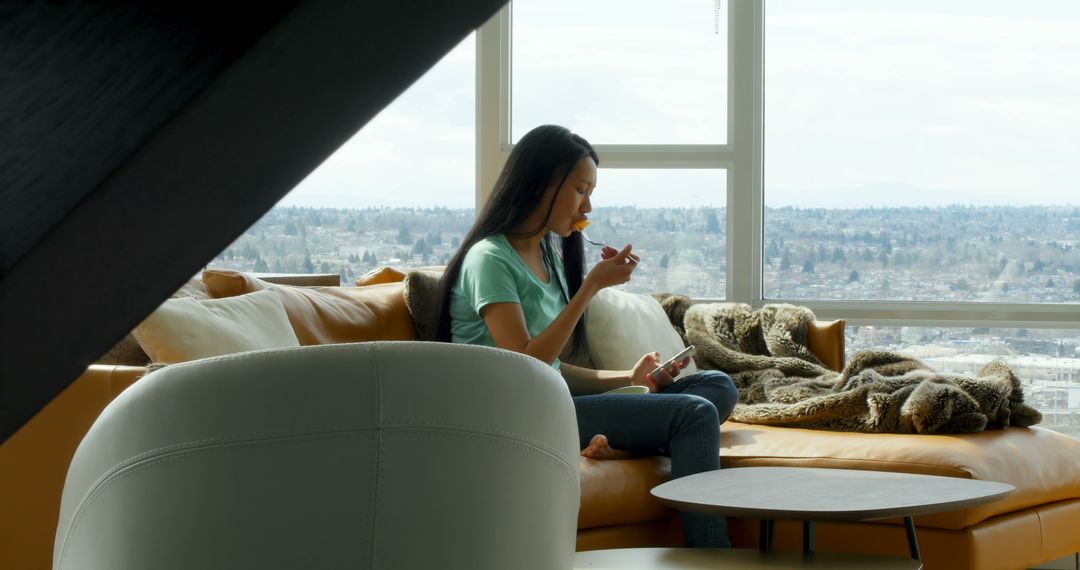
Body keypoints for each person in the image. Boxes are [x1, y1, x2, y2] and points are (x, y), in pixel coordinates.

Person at [434, 124, 738, 548]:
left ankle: (624, 446)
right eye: (580, 189)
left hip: (555, 400)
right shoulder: (490, 258)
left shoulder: (544, 254)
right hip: (519, 413)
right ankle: (712, 558)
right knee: (694, 414)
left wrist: (629, 379)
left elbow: (555, 367)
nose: (588, 204)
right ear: (542, 183)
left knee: (717, 386)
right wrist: (590, 287)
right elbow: (528, 365)